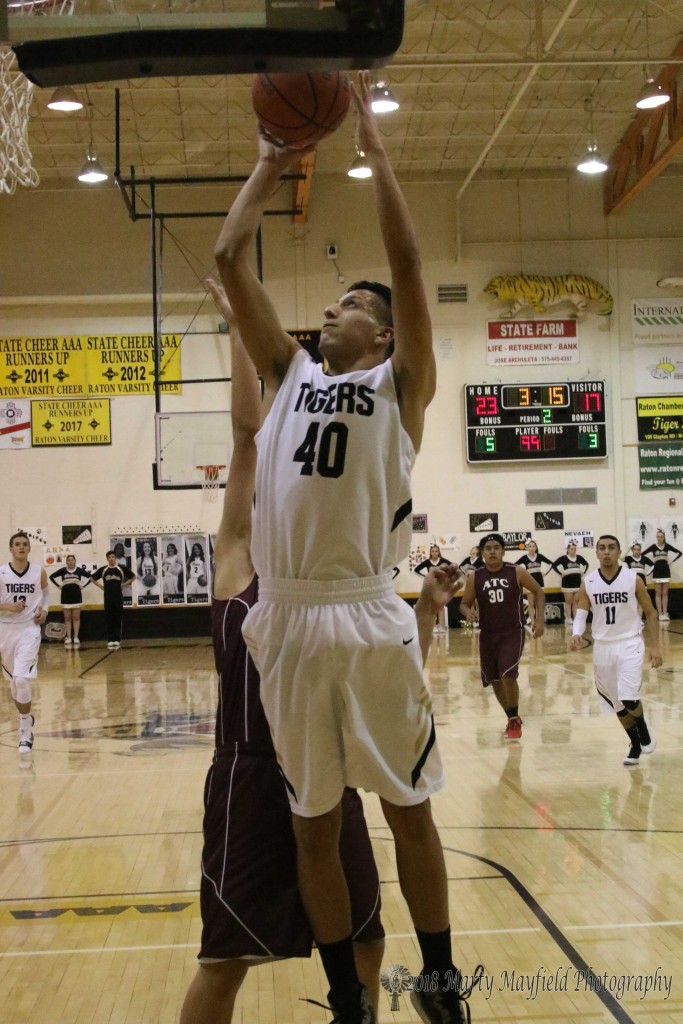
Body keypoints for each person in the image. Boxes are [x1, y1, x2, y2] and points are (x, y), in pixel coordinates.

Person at [214, 71, 474, 1024]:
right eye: (331, 306)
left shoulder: (397, 386)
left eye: (349, 307)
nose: (331, 312)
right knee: (311, 831)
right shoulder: (285, 377)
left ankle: (440, 987)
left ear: (382, 333)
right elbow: (228, 253)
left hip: (366, 612)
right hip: (284, 618)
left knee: (409, 811)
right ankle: (346, 996)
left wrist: (377, 157)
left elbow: (405, 265)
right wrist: (267, 164)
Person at [180, 285, 463, 1024]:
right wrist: (239, 330)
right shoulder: (239, 566)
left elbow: (391, 669)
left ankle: (366, 1008)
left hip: (327, 766)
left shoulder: (340, 586)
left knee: (369, 937)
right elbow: (248, 437)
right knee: (224, 960)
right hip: (248, 774)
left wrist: (424, 612)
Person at [570, 534, 661, 766]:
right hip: (603, 647)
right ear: (597, 553)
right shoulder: (588, 582)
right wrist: (576, 633)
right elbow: (581, 612)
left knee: (629, 697)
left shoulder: (633, 579)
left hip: (630, 642)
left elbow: (651, 612)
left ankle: (644, 729)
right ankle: (635, 744)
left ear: (620, 552)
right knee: (618, 704)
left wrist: (656, 646)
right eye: (602, 548)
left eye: (612, 548)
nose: (607, 552)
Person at [459, 533, 545, 740]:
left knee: (507, 673)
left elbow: (539, 591)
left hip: (512, 632)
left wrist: (540, 620)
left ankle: (514, 718)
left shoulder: (516, 571)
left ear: (503, 551)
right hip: (488, 635)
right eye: (488, 548)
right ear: (482, 553)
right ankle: (510, 716)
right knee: (495, 680)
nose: (492, 551)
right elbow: (463, 603)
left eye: (496, 547)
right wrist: (467, 613)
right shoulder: (475, 577)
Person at [0, 531, 49, 752]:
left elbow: (46, 594)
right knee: (13, 686)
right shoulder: (1, 573)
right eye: (17, 544)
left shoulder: (39, 572)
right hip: (5, 630)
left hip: (29, 629)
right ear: (11, 549)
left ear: (29, 549)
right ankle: (27, 717)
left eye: (25, 544)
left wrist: (45, 611)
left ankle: (25, 733)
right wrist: (6, 606)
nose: (21, 547)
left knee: (21, 681)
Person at [90, 551, 135, 647]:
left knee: (117, 618)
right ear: (107, 559)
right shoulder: (104, 570)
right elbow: (92, 578)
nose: (111, 558)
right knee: (109, 618)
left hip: (118, 597)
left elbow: (134, 576)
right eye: (109, 557)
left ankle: (117, 639)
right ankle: (110, 639)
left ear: (115, 558)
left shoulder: (121, 568)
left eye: (113, 556)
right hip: (107, 597)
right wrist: (100, 586)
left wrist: (125, 584)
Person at [49, 553, 91, 645]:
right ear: (66, 562)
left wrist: (83, 586)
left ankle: (76, 637)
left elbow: (90, 577)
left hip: (77, 597)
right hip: (65, 597)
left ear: (75, 561)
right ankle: (68, 637)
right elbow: (51, 577)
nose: (70, 561)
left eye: (72, 560)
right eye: (69, 560)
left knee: (76, 618)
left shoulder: (79, 570)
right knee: (67, 618)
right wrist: (58, 586)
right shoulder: (63, 570)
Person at [642, 528, 682, 622]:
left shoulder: (667, 546)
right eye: (658, 536)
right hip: (657, 571)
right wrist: (652, 564)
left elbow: (680, 553)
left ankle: (665, 613)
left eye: (661, 537)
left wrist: (672, 561)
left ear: (664, 537)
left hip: (666, 571)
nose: (659, 538)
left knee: (665, 594)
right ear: (656, 537)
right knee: (658, 594)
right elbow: (642, 554)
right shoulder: (653, 547)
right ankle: (660, 614)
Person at [515, 539, 553, 632]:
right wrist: (523, 574)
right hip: (529, 583)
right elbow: (515, 565)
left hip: (540, 582)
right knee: (531, 604)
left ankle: (539, 621)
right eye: (530, 546)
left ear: (536, 548)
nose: (532, 548)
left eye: (533, 546)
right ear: (527, 548)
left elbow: (551, 563)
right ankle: (532, 622)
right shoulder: (524, 557)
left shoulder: (539, 556)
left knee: (539, 604)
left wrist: (545, 572)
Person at [414, 544, 452, 632]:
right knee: (432, 606)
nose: (434, 553)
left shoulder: (443, 561)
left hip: (441, 585)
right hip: (431, 585)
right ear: (430, 553)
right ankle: (434, 625)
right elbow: (416, 569)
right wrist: (425, 575)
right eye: (433, 551)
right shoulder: (427, 562)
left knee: (441, 604)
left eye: (436, 551)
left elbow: (452, 566)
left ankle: (442, 625)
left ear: (439, 552)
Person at [549, 542, 589, 626]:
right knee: (569, 602)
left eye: (575, 549)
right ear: (568, 550)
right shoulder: (563, 558)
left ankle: (575, 618)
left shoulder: (579, 558)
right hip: (567, 585)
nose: (573, 551)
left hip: (577, 584)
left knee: (576, 602)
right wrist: (560, 573)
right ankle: (568, 618)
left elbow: (586, 564)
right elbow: (554, 565)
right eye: (571, 549)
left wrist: (583, 572)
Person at [624, 543, 654, 620]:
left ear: (640, 550)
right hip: (631, 582)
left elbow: (653, 565)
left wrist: (647, 573)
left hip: (642, 582)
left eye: (638, 550)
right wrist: (628, 548)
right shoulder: (629, 558)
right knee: (633, 600)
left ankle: (639, 619)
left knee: (640, 601)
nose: (636, 551)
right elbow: (621, 558)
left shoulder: (644, 558)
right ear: (632, 550)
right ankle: (633, 619)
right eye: (635, 549)